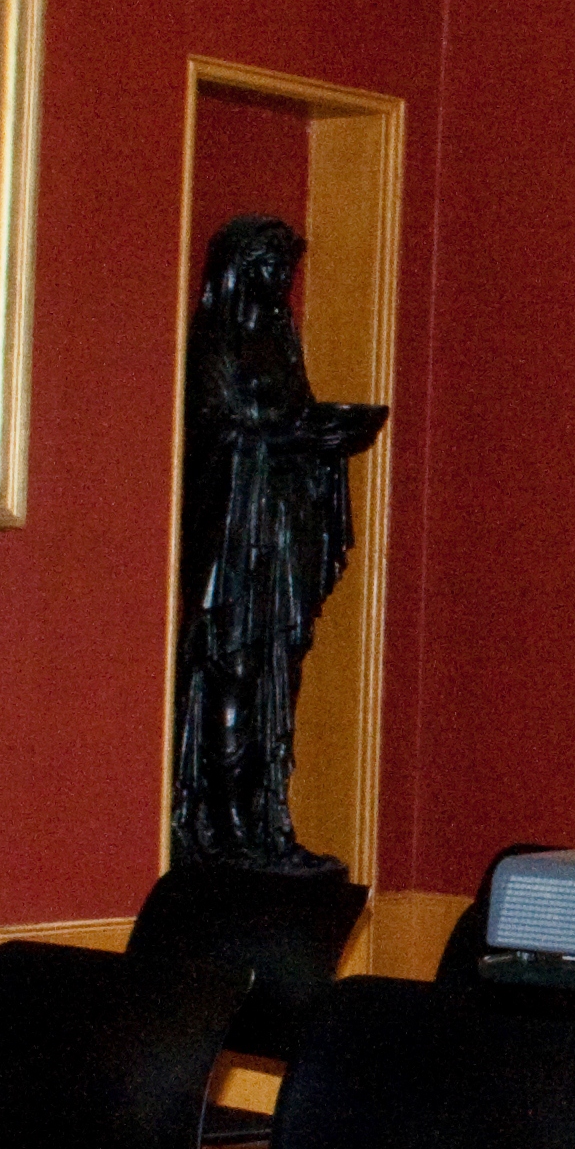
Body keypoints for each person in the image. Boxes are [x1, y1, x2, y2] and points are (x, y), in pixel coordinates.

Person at [168, 216, 389, 874]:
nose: (281, 284)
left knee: (277, 675)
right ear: (242, 270)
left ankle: (267, 820)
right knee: (233, 667)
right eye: (271, 269)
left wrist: (325, 437)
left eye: (286, 271)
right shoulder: (215, 343)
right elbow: (220, 434)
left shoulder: (279, 342)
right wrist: (295, 437)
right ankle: (228, 825)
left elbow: (285, 419)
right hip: (236, 539)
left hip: (282, 527)